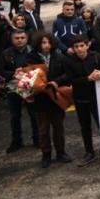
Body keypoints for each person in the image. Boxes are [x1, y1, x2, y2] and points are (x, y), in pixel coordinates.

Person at [26, 33, 72, 168]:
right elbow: (27, 77)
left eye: (48, 42)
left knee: (58, 126)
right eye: (43, 43)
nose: (46, 45)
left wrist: (56, 82)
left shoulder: (59, 56)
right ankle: (46, 154)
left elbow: (67, 74)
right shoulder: (31, 58)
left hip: (56, 96)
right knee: (43, 129)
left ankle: (61, 152)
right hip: (40, 98)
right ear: (38, 44)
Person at [63, 35, 100, 167]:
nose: (79, 49)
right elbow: (70, 80)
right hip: (80, 99)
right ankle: (89, 152)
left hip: (98, 98)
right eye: (76, 47)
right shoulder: (68, 61)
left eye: (82, 46)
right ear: (73, 48)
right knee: (85, 127)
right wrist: (87, 79)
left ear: (87, 45)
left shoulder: (96, 56)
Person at [0, 29, 38, 153]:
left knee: (34, 115)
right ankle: (17, 141)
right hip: (13, 87)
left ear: (26, 39)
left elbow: (40, 68)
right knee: (15, 116)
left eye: (22, 38)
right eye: (17, 38)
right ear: (12, 39)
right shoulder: (6, 53)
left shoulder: (33, 51)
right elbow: (0, 70)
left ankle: (37, 140)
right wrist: (13, 74)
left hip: (30, 87)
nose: (20, 40)